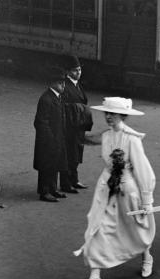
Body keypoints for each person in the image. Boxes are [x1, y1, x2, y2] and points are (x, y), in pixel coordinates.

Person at [73, 97, 156, 279]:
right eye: (107, 113)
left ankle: (147, 257)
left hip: (128, 189)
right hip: (106, 187)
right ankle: (95, 277)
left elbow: (144, 171)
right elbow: (93, 143)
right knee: (97, 226)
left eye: (113, 114)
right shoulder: (107, 136)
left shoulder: (132, 139)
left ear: (123, 116)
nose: (109, 117)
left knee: (136, 227)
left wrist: (147, 200)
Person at [33, 67, 69, 203]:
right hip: (47, 141)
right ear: (52, 83)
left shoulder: (57, 97)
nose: (63, 85)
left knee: (54, 164)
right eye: (60, 83)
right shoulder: (46, 99)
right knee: (46, 165)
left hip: (57, 138)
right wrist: (50, 139)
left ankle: (52, 189)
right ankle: (44, 191)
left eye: (64, 82)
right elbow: (40, 122)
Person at [61, 55, 93, 192]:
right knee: (69, 155)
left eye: (79, 70)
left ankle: (74, 180)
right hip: (70, 126)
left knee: (76, 154)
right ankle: (66, 184)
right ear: (68, 72)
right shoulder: (65, 86)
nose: (78, 73)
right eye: (75, 70)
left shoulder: (77, 84)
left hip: (79, 126)